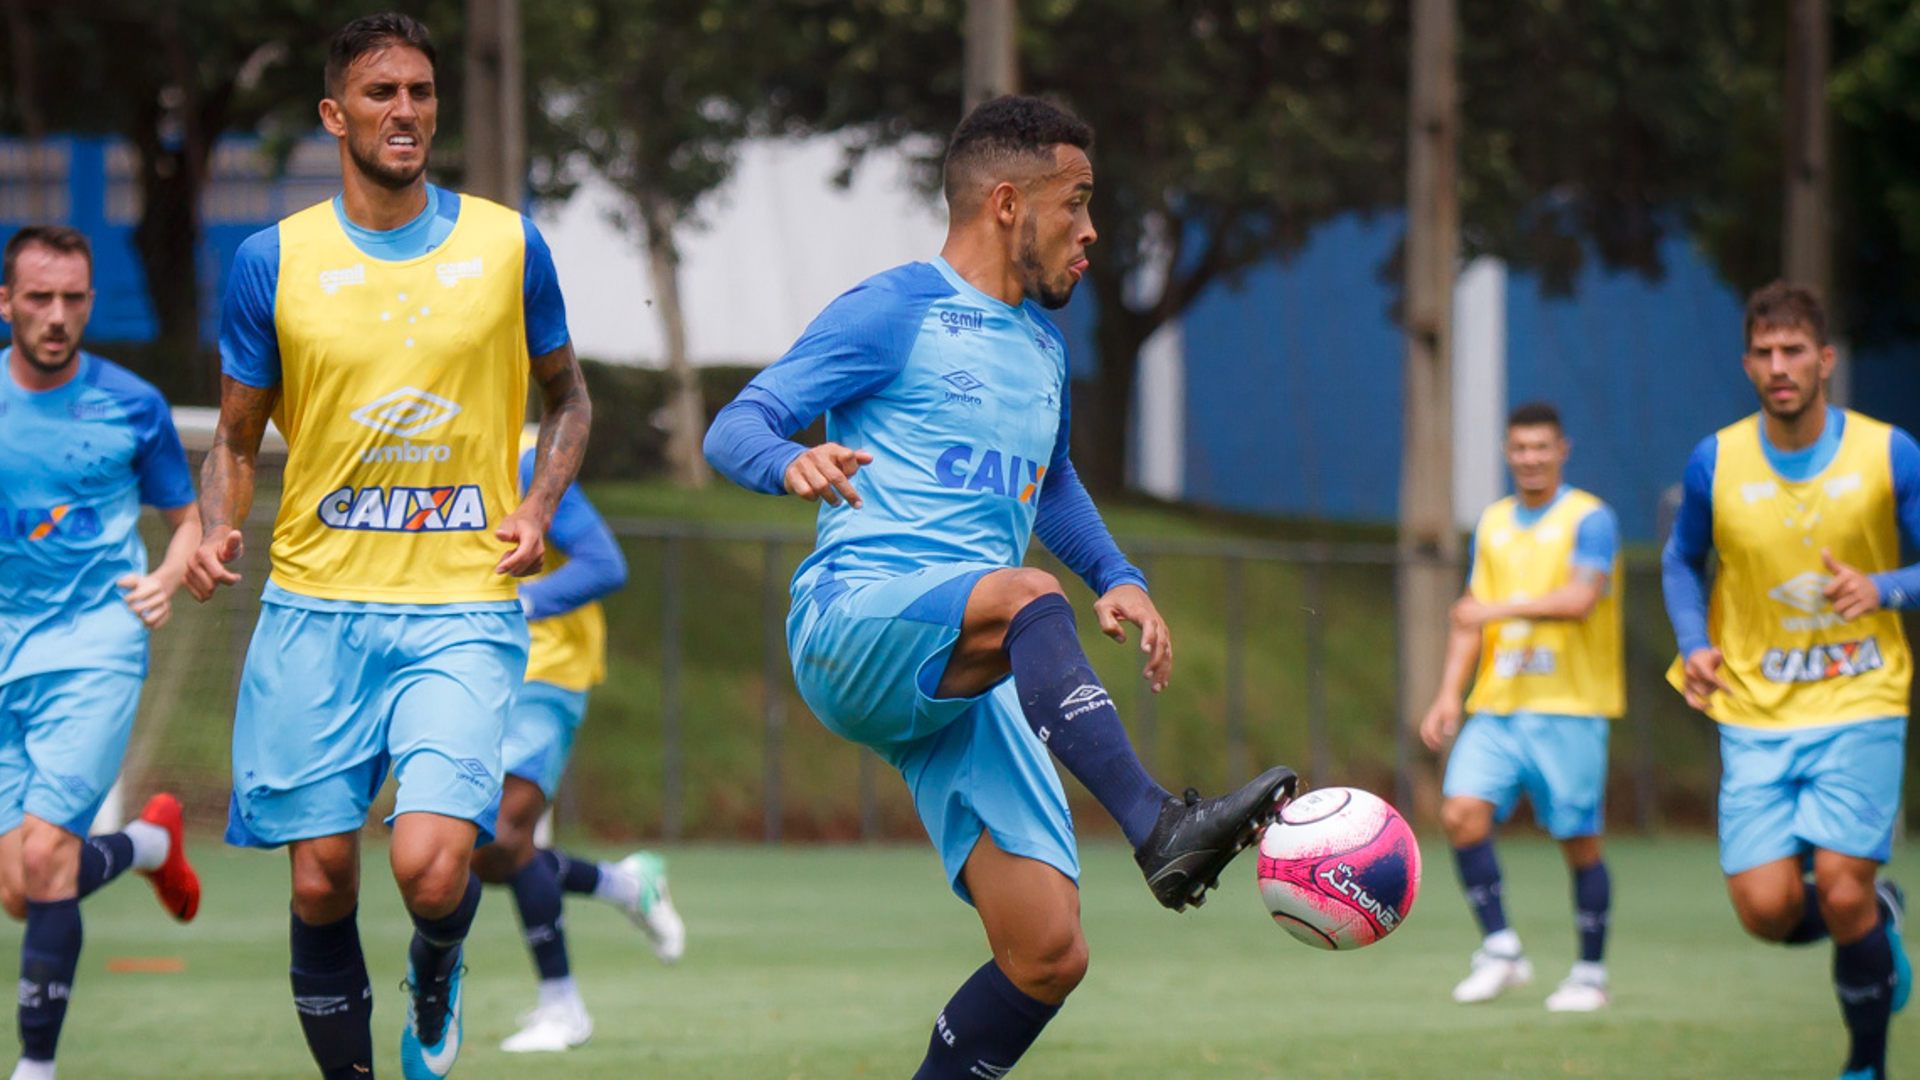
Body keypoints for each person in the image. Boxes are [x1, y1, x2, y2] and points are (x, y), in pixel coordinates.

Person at [704, 94, 1296, 1079]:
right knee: (1023, 593)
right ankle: (1158, 827)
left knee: (1047, 952)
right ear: (1010, 203)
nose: (1094, 231)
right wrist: (788, 463)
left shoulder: (1040, 349)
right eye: (1080, 203)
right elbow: (737, 426)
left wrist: (1119, 575)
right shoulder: (896, 308)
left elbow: (1050, 482)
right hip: (858, 621)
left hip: (968, 668)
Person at [183, 13, 590, 1079]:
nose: (405, 110)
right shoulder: (272, 261)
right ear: (334, 116)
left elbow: (571, 399)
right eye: (379, 94)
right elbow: (233, 435)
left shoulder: (508, 243)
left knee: (427, 866)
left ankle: (439, 960)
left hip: (459, 606)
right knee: (320, 881)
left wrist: (539, 505)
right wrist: (219, 525)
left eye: (419, 90)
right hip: (314, 610)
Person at [1663, 281, 1919, 1080]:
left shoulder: (1888, 453)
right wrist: (1694, 642)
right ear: (1748, 364)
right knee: (1766, 912)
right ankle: (1881, 921)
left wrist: (1885, 588)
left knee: (1839, 888)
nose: (1780, 366)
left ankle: (1866, 1065)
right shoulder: (1716, 459)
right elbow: (1679, 559)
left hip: (1861, 697)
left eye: (1795, 351)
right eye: (1766, 353)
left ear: (1825, 360)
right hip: (1754, 708)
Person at [0, 225, 203, 1080]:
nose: (56, 316)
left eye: (73, 300)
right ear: (5, 302)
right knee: (21, 888)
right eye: (38, 298)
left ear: (90, 303)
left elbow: (189, 523)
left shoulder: (133, 404)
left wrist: (166, 574)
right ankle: (151, 848)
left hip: (97, 648)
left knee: (45, 859)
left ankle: (35, 1071)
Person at [471, 429, 685, 1054]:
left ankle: (562, 1009)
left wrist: (518, 603)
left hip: (545, 669)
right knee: (481, 853)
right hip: (466, 668)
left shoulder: (524, 455)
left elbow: (604, 563)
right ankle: (624, 886)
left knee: (507, 837)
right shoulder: (424, 446)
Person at [1420, 402, 1623, 1012]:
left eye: (1542, 447)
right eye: (1520, 448)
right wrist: (1447, 694)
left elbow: (1580, 598)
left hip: (1571, 706)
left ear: (1563, 450)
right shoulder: (1494, 523)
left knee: (1578, 843)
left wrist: (1495, 611)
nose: (1531, 458)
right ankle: (1502, 949)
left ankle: (1590, 973)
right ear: (1508, 454)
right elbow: (1468, 615)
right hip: (1499, 706)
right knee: (1460, 814)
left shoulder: (1591, 519)